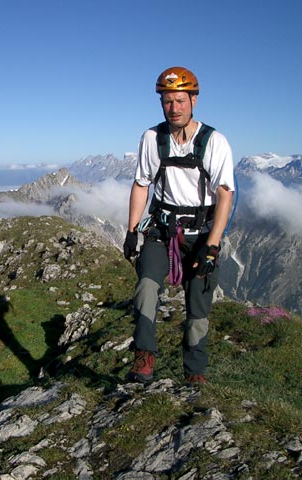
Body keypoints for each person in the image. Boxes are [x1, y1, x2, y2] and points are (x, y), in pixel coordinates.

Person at [123, 66, 235, 384]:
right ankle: (145, 357)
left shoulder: (214, 142)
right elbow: (141, 184)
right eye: (167, 101)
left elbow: (225, 194)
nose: (173, 108)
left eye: (180, 101)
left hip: (202, 234)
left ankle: (195, 372)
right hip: (162, 231)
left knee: (198, 306)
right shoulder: (152, 139)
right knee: (146, 285)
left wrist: (212, 245)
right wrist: (132, 231)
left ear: (194, 100)